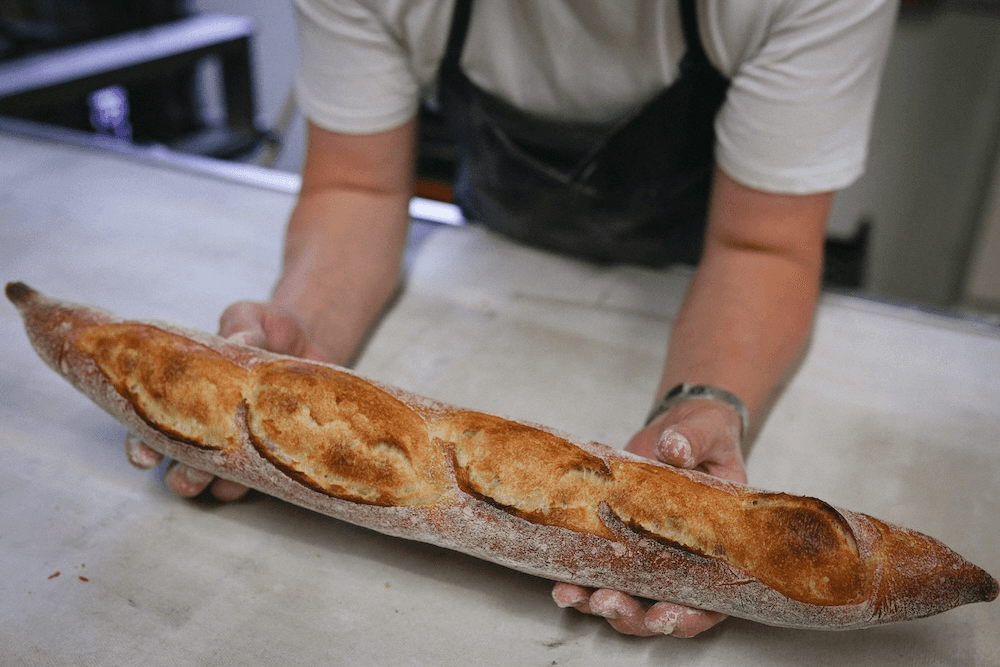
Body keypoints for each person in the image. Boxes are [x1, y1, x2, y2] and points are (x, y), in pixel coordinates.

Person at [125, 0, 898, 638]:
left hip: (702, 273)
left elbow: (760, 245)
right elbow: (357, 189)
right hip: (486, 259)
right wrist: (300, 337)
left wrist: (702, 403)